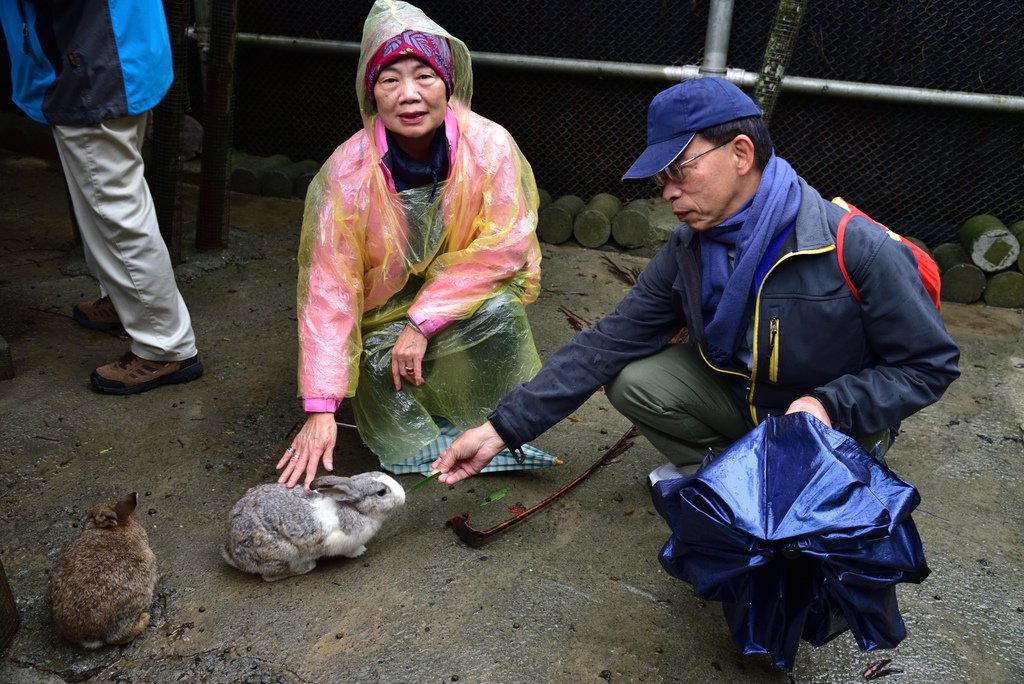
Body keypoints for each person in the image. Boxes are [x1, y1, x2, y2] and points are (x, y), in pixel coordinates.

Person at [434, 77, 961, 484]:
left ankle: (824, 465)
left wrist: (830, 403)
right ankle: (724, 478)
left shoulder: (853, 245)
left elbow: (929, 365)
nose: (666, 193)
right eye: (660, 179)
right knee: (632, 378)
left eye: (678, 170)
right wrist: (501, 429)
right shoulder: (689, 247)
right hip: (748, 401)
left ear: (740, 153)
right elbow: (609, 342)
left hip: (830, 419)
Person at [277, 0, 547, 489]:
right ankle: (412, 429)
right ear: (371, 93)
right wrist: (321, 406)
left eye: (423, 75)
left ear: (448, 83)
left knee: (500, 316)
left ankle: (491, 429)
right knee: (379, 363)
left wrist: (423, 321)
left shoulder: (488, 146)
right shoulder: (346, 174)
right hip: (381, 315)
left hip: (460, 300)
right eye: (389, 80)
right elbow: (329, 290)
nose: (409, 95)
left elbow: (505, 245)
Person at [0, 0, 203, 395]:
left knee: (114, 209)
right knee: (102, 200)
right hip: (111, 53)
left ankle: (164, 346)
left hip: (93, 65)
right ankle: (123, 301)